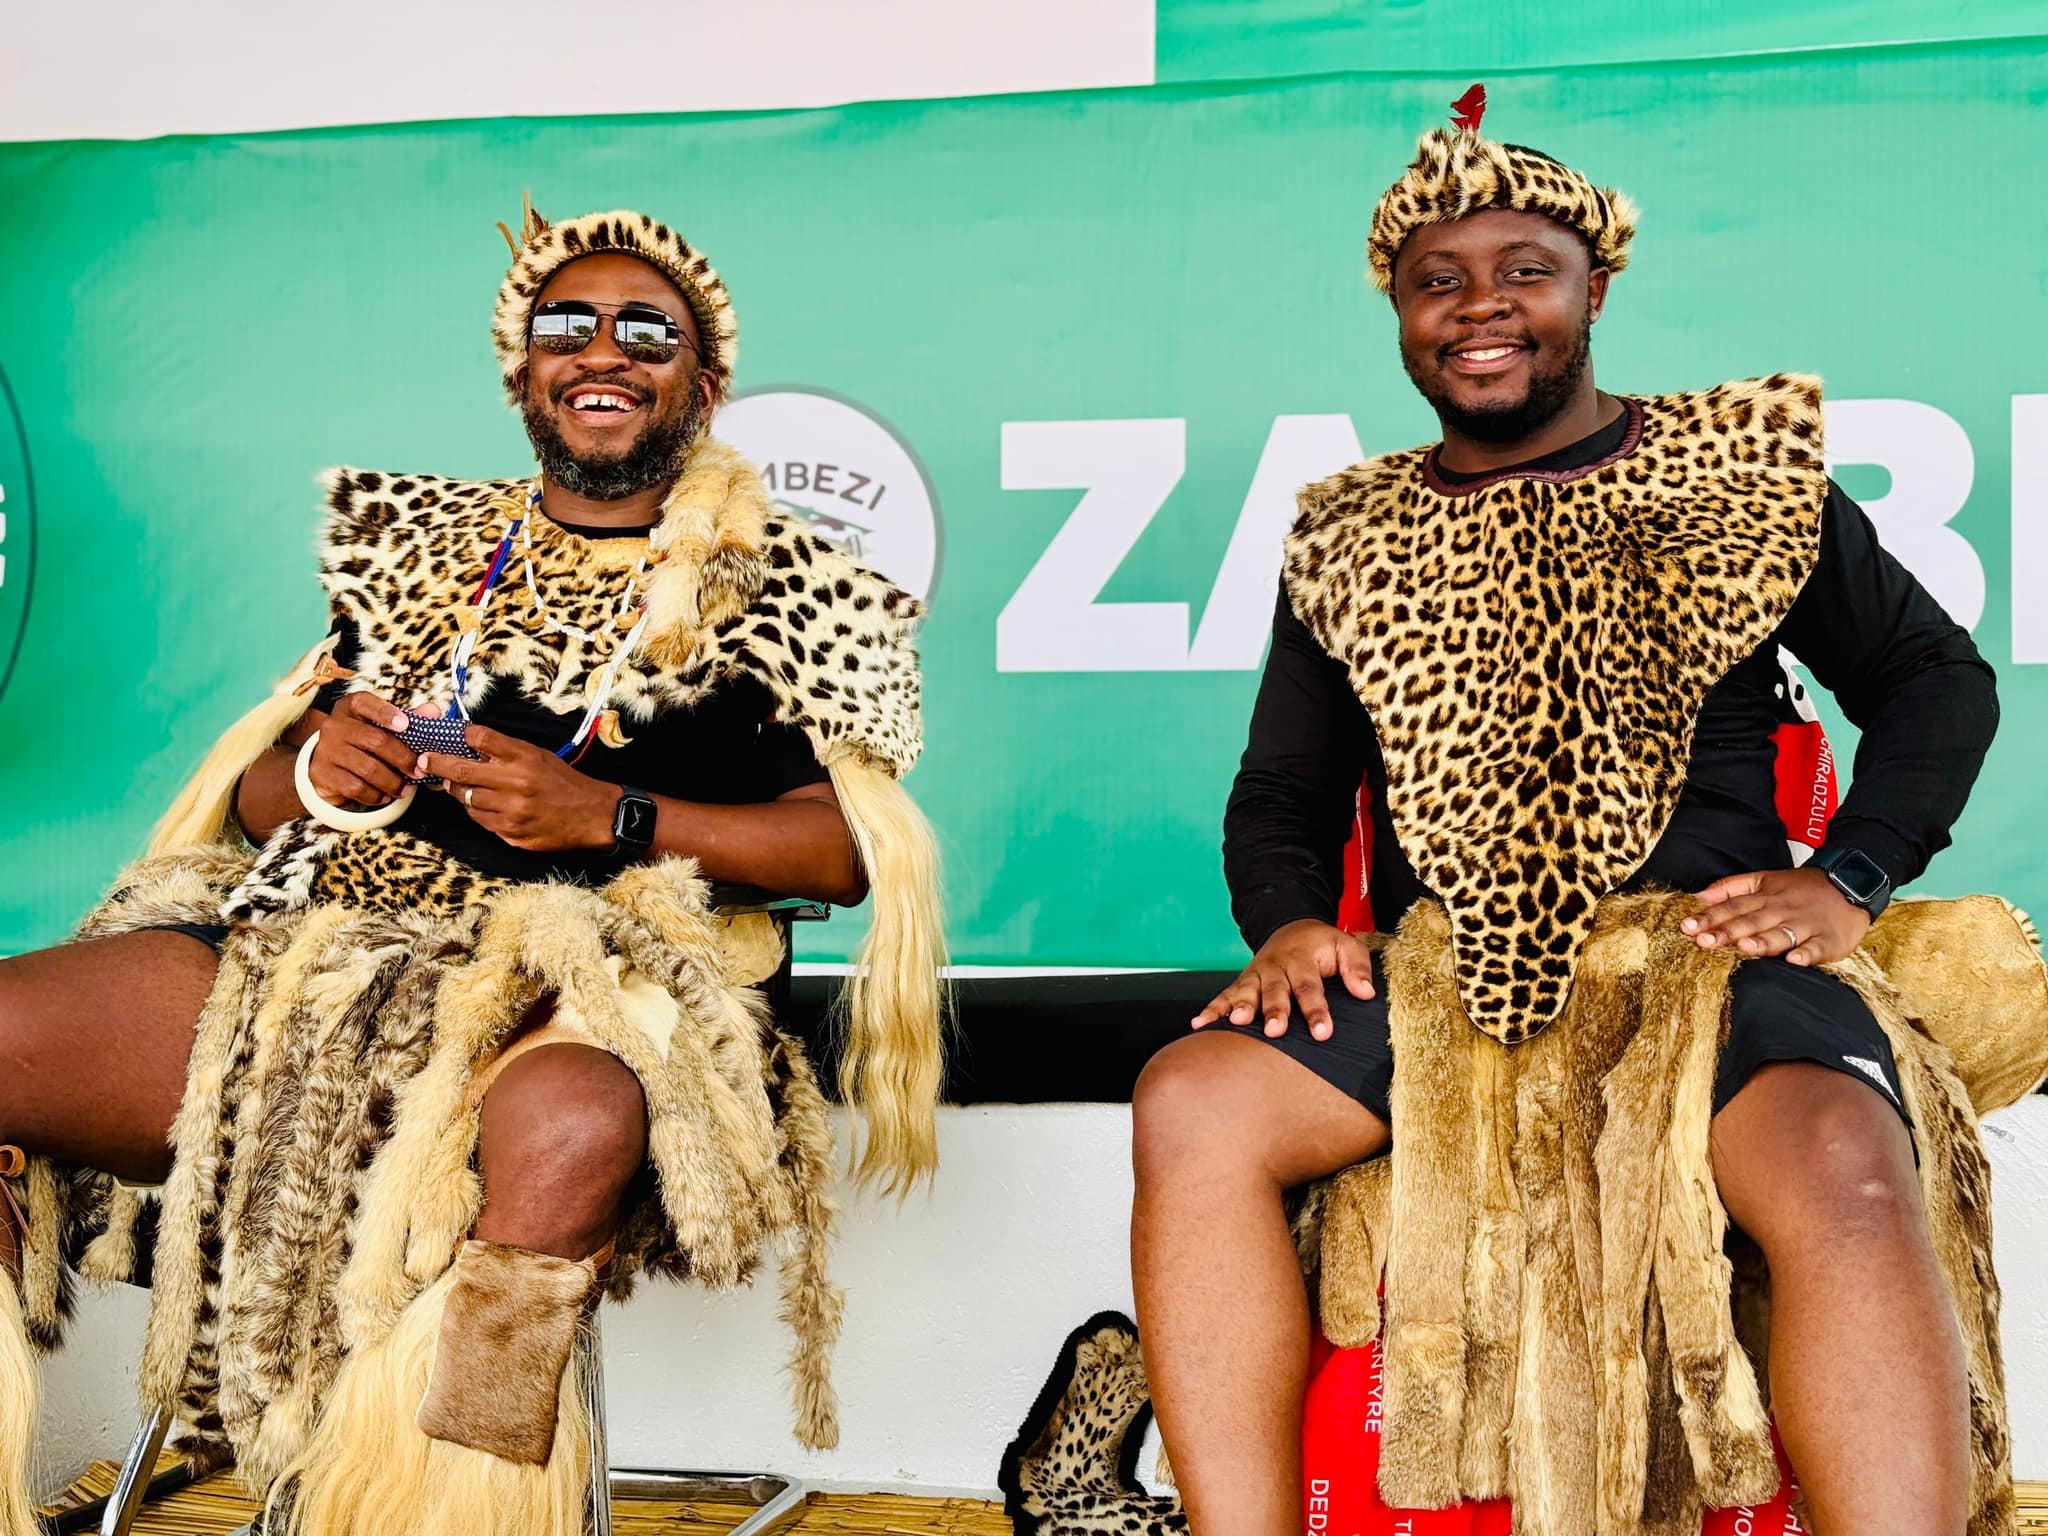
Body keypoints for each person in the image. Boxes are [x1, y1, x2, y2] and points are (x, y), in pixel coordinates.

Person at [1130, 104, 2025, 1536]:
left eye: (1525, 272)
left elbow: (1936, 681)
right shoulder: (1346, 534)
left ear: (1594, 289)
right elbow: (1283, 790)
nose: (1481, 307)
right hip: (1451, 976)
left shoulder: (1740, 476)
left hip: (1707, 959)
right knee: (1193, 1102)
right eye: (1439, 281)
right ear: (1401, 314)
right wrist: (1290, 923)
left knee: (1841, 1164)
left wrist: (1851, 875)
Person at [0, 202, 946, 1536]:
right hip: (329, 955)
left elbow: (841, 854)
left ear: (702, 383)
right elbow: (262, 801)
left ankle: (440, 1504)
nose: (602, 351)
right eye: (568, 326)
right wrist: (324, 771)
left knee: (565, 1125)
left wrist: (608, 816)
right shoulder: (418, 552)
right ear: (523, 373)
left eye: (647, 332)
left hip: (609, 984)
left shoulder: (795, 584)